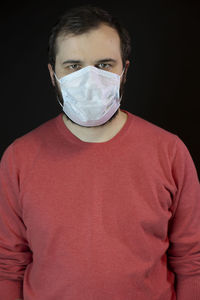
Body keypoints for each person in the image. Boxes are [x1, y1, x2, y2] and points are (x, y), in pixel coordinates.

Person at [0, 5, 199, 300]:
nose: (89, 80)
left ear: (125, 70)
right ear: (52, 74)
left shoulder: (169, 151)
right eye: (73, 66)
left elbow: (192, 261)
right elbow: (8, 265)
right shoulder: (19, 157)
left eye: (104, 65)